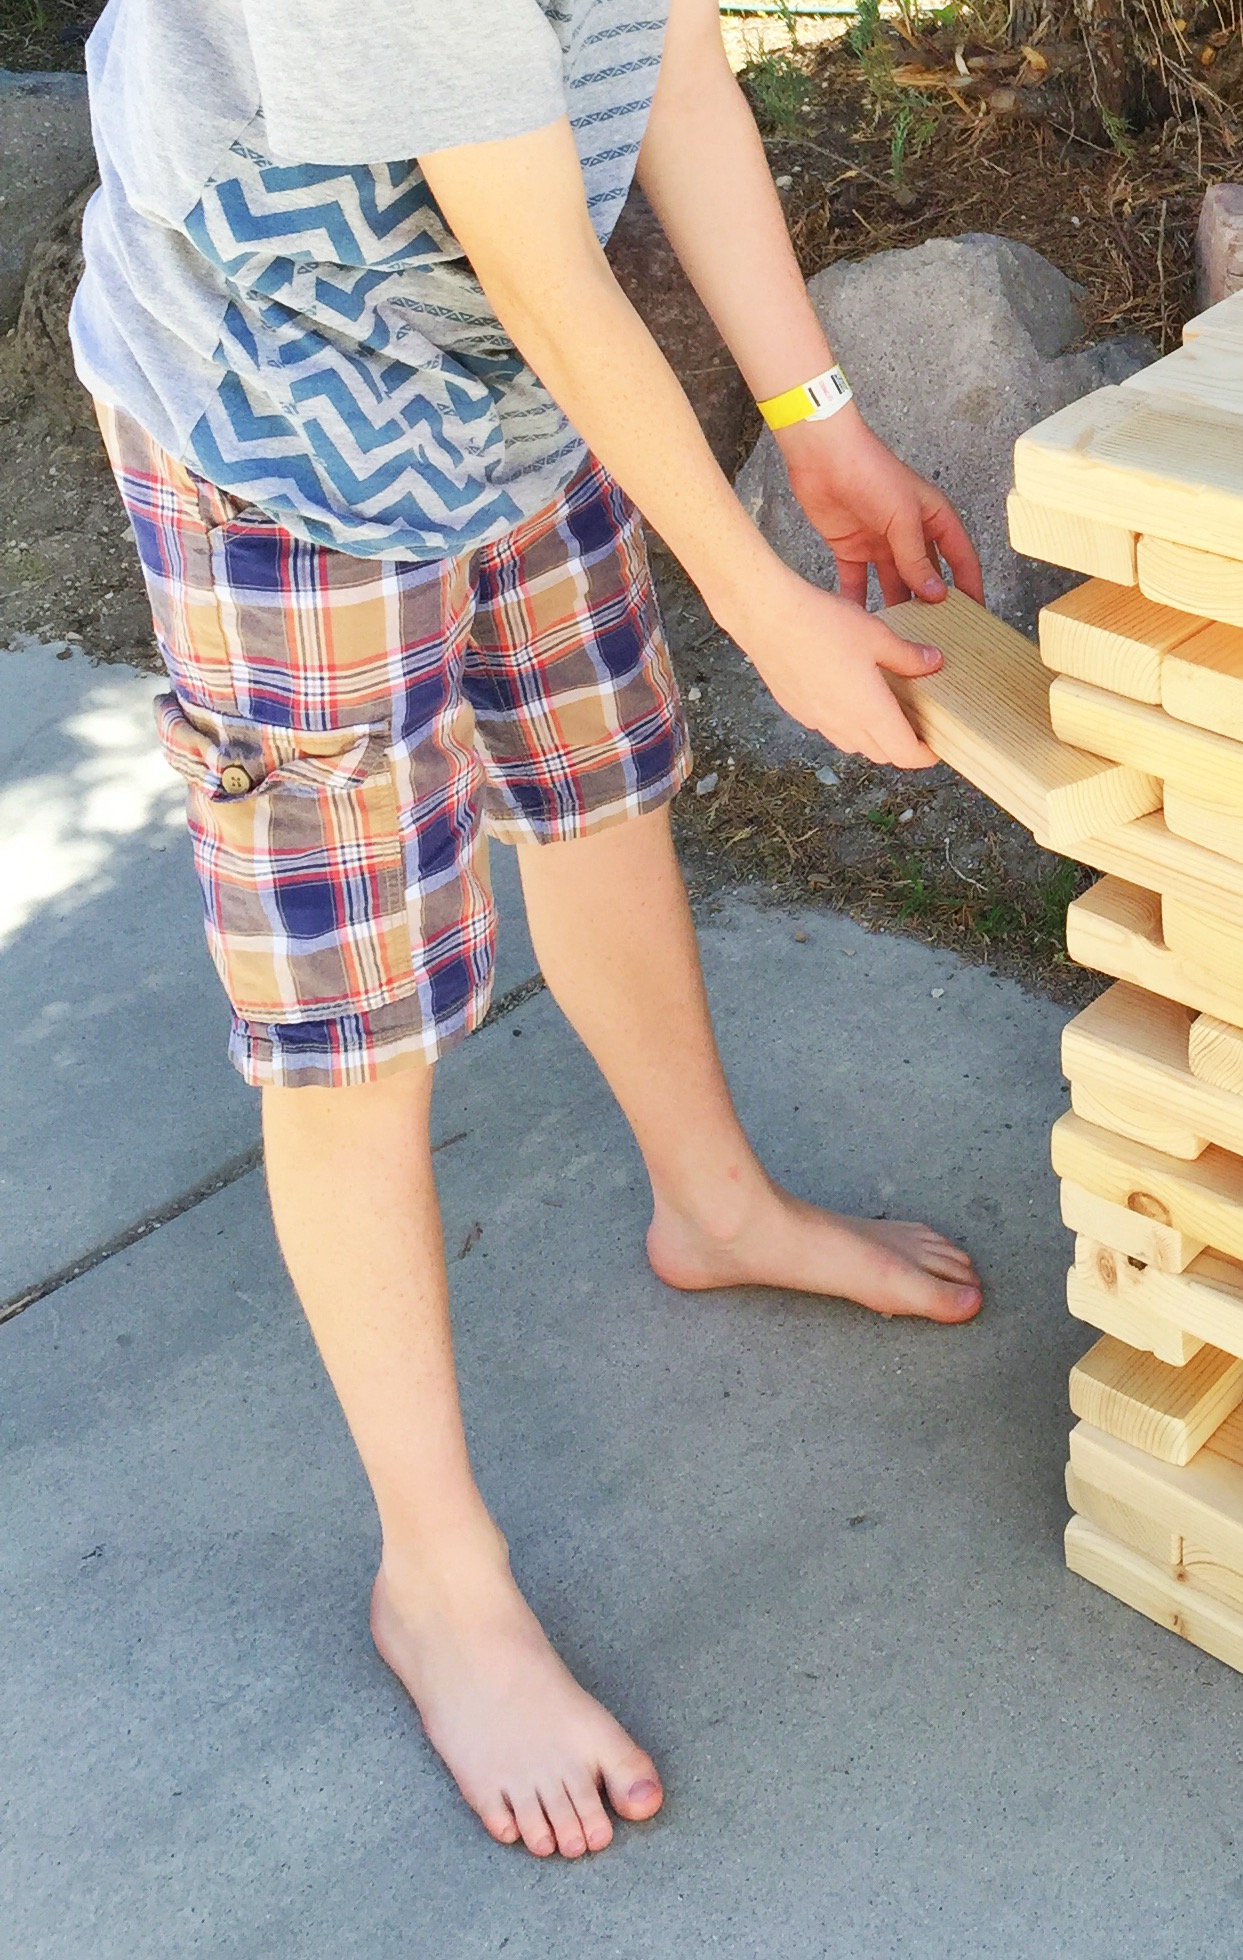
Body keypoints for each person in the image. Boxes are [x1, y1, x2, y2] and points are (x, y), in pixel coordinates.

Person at [71, 0, 984, 1861]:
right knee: (357, 1014)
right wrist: (765, 603)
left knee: (599, 778)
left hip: (509, 392)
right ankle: (438, 1582)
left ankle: (714, 1204)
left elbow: (675, 54)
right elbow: (544, 263)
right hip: (283, 435)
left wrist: (817, 426)